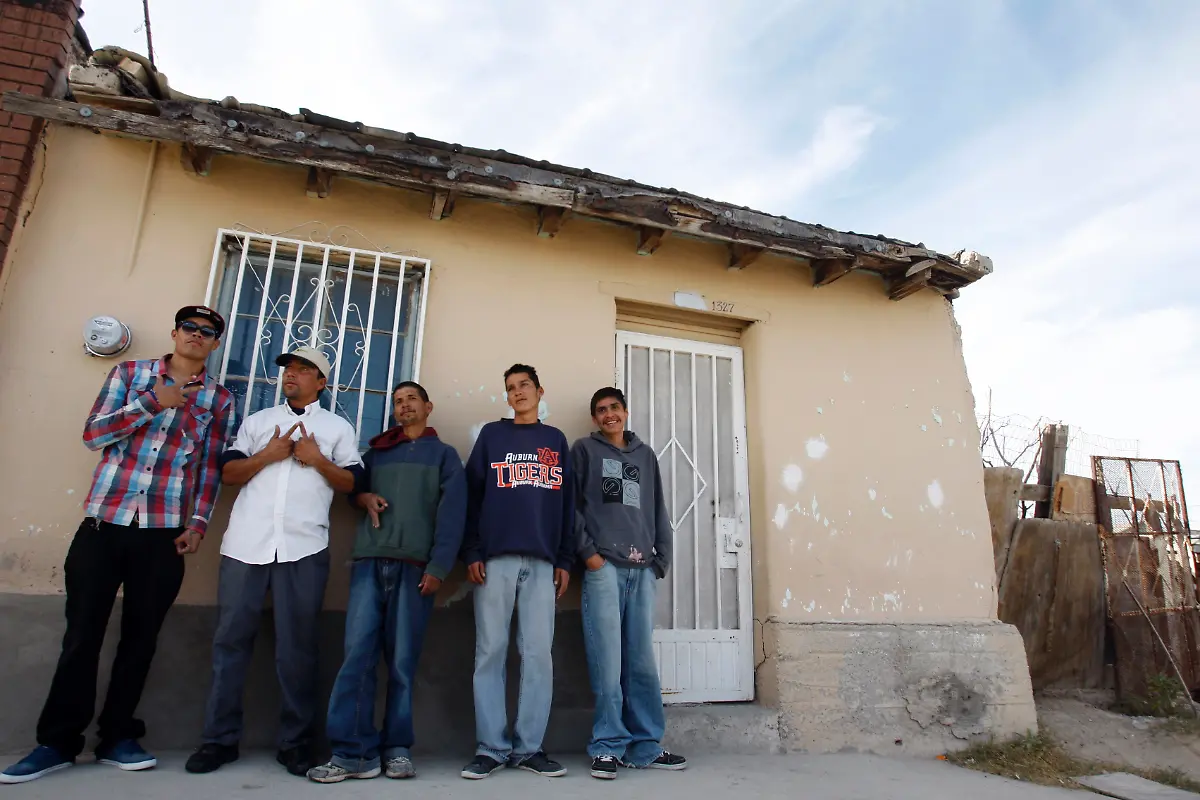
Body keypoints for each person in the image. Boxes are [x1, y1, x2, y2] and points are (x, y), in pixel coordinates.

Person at [0, 306, 238, 785]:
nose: (196, 335)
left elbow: (210, 467)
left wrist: (197, 523)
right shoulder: (130, 375)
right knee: (81, 636)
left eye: (207, 332)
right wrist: (153, 402)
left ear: (214, 344)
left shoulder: (219, 399)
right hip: (103, 524)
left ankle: (117, 736)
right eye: (189, 327)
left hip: (163, 532)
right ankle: (57, 742)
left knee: (141, 640)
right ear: (175, 333)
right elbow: (94, 435)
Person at [185, 346, 362, 777]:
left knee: (297, 649)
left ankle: (295, 744)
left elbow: (353, 482)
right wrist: (269, 454)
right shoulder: (258, 422)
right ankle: (218, 741)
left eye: (303, 370)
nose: (291, 375)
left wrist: (317, 460)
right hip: (246, 545)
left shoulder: (337, 428)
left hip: (304, 547)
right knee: (230, 643)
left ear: (321, 382)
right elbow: (228, 474)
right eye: (288, 369)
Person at [307, 381, 467, 784]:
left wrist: (439, 568)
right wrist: (362, 499)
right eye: (398, 401)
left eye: (412, 399)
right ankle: (353, 753)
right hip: (368, 564)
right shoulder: (376, 453)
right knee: (356, 658)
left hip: (416, 570)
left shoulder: (444, 456)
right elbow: (352, 490)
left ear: (428, 406)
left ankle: (397, 749)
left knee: (401, 663)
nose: (404, 405)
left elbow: (453, 517)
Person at [459, 364, 575, 780]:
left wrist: (565, 560)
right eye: (511, 388)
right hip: (495, 560)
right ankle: (491, 747)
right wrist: (472, 550)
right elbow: (471, 497)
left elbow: (567, 504)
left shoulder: (555, 440)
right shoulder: (493, 436)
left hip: (543, 563)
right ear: (506, 397)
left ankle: (529, 748)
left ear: (540, 391)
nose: (518, 392)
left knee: (538, 654)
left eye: (525, 385)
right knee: (490, 651)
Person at [572, 387, 686, 779]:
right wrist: (589, 555)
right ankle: (607, 745)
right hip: (603, 568)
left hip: (642, 570)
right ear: (594, 418)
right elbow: (571, 506)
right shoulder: (584, 451)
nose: (609, 415)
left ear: (625, 411)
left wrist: (661, 560)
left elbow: (657, 507)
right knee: (606, 661)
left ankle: (646, 745)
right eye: (601, 410)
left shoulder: (644, 455)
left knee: (640, 662)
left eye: (615, 408)